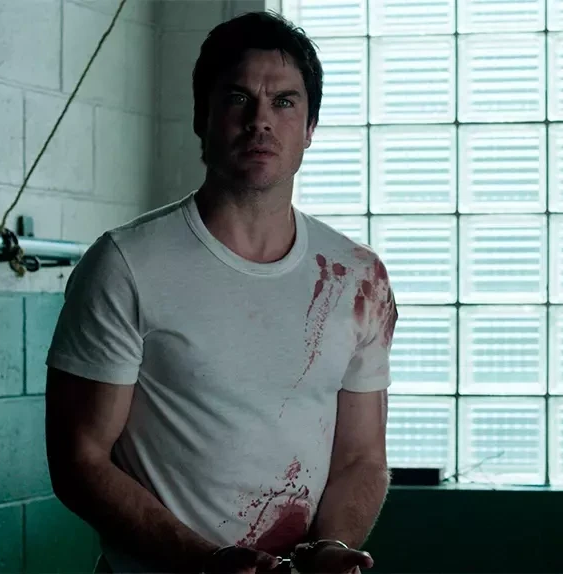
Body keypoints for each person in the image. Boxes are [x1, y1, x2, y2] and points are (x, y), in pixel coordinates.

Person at [44, 10, 398, 574]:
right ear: (200, 116)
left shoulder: (358, 278)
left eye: (284, 102)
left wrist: (329, 549)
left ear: (310, 127)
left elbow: (361, 458)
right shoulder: (126, 264)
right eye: (238, 98)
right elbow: (79, 460)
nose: (261, 121)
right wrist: (206, 562)